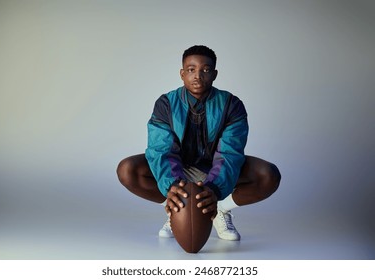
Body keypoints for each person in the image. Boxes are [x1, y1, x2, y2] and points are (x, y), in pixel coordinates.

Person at [117, 45, 281, 241]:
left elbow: (230, 152)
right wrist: (173, 187)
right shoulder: (166, 103)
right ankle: (177, 207)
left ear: (214, 74)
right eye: (191, 69)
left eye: (205, 70)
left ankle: (219, 208)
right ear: (182, 73)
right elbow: (161, 149)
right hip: (181, 170)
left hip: (217, 170)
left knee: (268, 175)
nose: (197, 76)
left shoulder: (231, 104)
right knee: (127, 169)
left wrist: (214, 188)